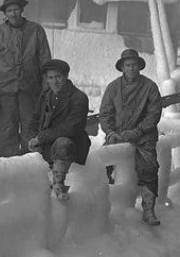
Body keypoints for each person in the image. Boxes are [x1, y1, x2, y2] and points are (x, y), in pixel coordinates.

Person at [0, 0, 52, 157]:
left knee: (30, 130)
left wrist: (46, 92)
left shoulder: (36, 31)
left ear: (22, 10)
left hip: (30, 91)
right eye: (9, 10)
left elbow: (46, 63)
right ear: (5, 13)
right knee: (7, 133)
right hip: (5, 92)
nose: (13, 13)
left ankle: (30, 168)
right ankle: (8, 172)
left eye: (15, 9)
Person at [100, 48, 163, 226]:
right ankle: (101, 208)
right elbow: (104, 114)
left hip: (144, 135)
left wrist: (138, 131)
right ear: (122, 67)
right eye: (127, 65)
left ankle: (148, 210)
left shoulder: (150, 87)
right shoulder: (113, 88)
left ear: (139, 67)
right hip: (118, 133)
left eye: (134, 65)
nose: (131, 68)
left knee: (149, 166)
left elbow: (154, 114)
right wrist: (111, 132)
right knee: (102, 163)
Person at [27, 60, 91, 202]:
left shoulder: (78, 97)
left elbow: (71, 128)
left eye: (58, 77)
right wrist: (32, 138)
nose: (55, 81)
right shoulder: (45, 96)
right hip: (46, 144)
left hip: (71, 145)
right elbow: (34, 119)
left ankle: (59, 183)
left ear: (66, 76)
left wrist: (41, 138)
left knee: (63, 143)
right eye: (50, 78)